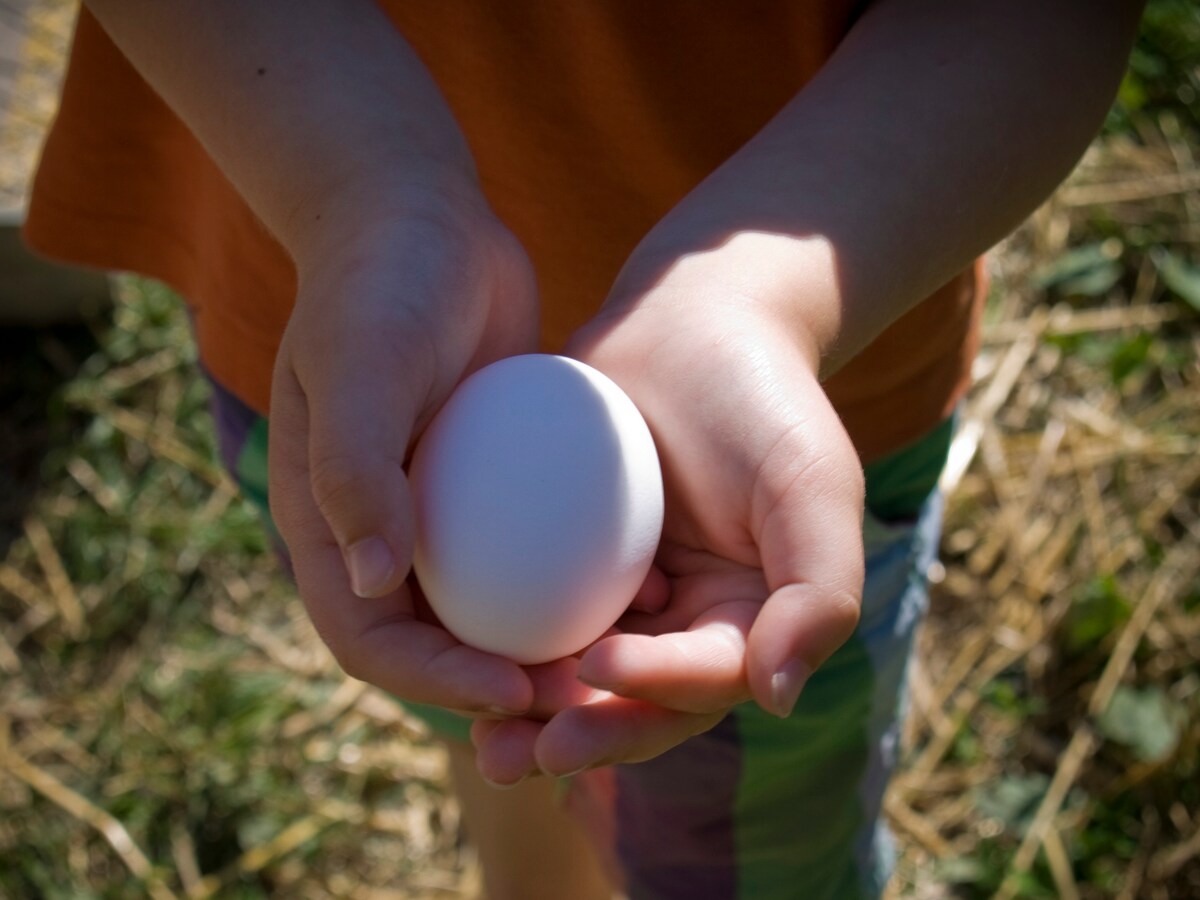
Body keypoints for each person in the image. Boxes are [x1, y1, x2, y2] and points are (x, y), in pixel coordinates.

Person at [25, 2, 1143, 897]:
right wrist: (359, 193)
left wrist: (760, 300)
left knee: (752, 845)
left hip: (778, 433)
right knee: (469, 699)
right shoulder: (360, 388)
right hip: (344, 339)